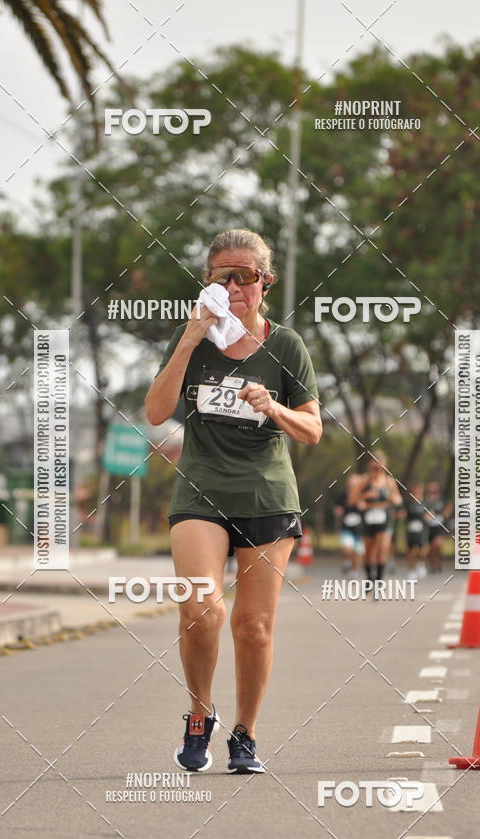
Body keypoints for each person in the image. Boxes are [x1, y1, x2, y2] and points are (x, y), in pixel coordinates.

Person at [145, 228, 321, 774]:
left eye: (245, 276)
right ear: (208, 283)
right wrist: (189, 340)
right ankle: (200, 715)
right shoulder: (193, 340)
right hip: (200, 492)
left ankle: (245, 734)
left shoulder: (286, 346)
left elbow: (312, 430)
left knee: (254, 625)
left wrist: (273, 407)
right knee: (200, 609)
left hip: (266, 494)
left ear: (265, 283)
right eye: (222, 275)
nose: (233, 285)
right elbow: (155, 413)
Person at [359, 451, 402, 584]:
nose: (377, 468)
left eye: (379, 465)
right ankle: (369, 578)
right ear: (369, 465)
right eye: (374, 466)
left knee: (382, 548)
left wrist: (392, 498)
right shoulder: (364, 481)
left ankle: (378, 580)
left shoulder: (389, 482)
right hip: (368, 517)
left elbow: (398, 499)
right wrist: (366, 497)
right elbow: (353, 500)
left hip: (385, 517)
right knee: (368, 552)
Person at [334, 473, 365, 574]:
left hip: (359, 530)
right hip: (346, 528)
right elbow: (337, 510)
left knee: (357, 552)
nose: (352, 486)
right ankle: (346, 561)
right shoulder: (343, 496)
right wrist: (339, 511)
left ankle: (354, 571)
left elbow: (366, 508)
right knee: (347, 548)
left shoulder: (362, 496)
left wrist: (362, 505)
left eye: (355, 484)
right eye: (351, 483)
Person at [402, 482, 429, 580]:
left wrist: (428, 516)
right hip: (410, 529)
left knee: (422, 550)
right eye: (415, 489)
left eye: (419, 490)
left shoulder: (425, 502)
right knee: (410, 552)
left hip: (422, 530)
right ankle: (411, 571)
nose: (417, 492)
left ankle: (421, 564)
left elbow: (430, 513)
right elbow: (403, 512)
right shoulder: (408, 502)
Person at [425, 482, 452, 573]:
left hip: (439, 526)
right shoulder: (426, 501)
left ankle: (438, 562)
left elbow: (449, 506)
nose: (432, 493)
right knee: (431, 548)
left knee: (437, 545)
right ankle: (432, 564)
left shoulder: (442, 500)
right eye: (430, 491)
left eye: (434, 491)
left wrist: (446, 513)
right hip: (429, 527)